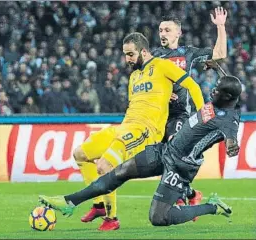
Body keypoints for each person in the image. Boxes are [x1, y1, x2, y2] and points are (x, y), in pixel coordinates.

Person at [39, 75, 241, 227]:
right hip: (166, 150)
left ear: (228, 96)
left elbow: (231, 137)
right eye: (215, 88)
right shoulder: (222, 100)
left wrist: (231, 145)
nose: (212, 91)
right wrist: (216, 68)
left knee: (158, 218)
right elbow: (227, 86)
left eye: (217, 90)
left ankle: (212, 206)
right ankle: (70, 201)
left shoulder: (228, 120)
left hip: (181, 166)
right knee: (120, 171)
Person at [70, 32, 204, 231]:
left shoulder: (163, 65)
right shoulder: (134, 76)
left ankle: (111, 219)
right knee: (80, 153)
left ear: (143, 51)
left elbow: (193, 86)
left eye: (130, 54)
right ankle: (98, 205)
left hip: (145, 131)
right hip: (125, 127)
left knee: (104, 165)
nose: (127, 59)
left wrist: (200, 119)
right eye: (125, 55)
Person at [149, 7, 228, 212]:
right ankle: (191, 194)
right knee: (162, 160)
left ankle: (176, 198)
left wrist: (220, 26)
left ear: (178, 33)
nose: (162, 34)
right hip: (158, 116)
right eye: (160, 30)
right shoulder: (153, 56)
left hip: (180, 115)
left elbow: (219, 54)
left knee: (174, 153)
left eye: (167, 30)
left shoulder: (188, 53)